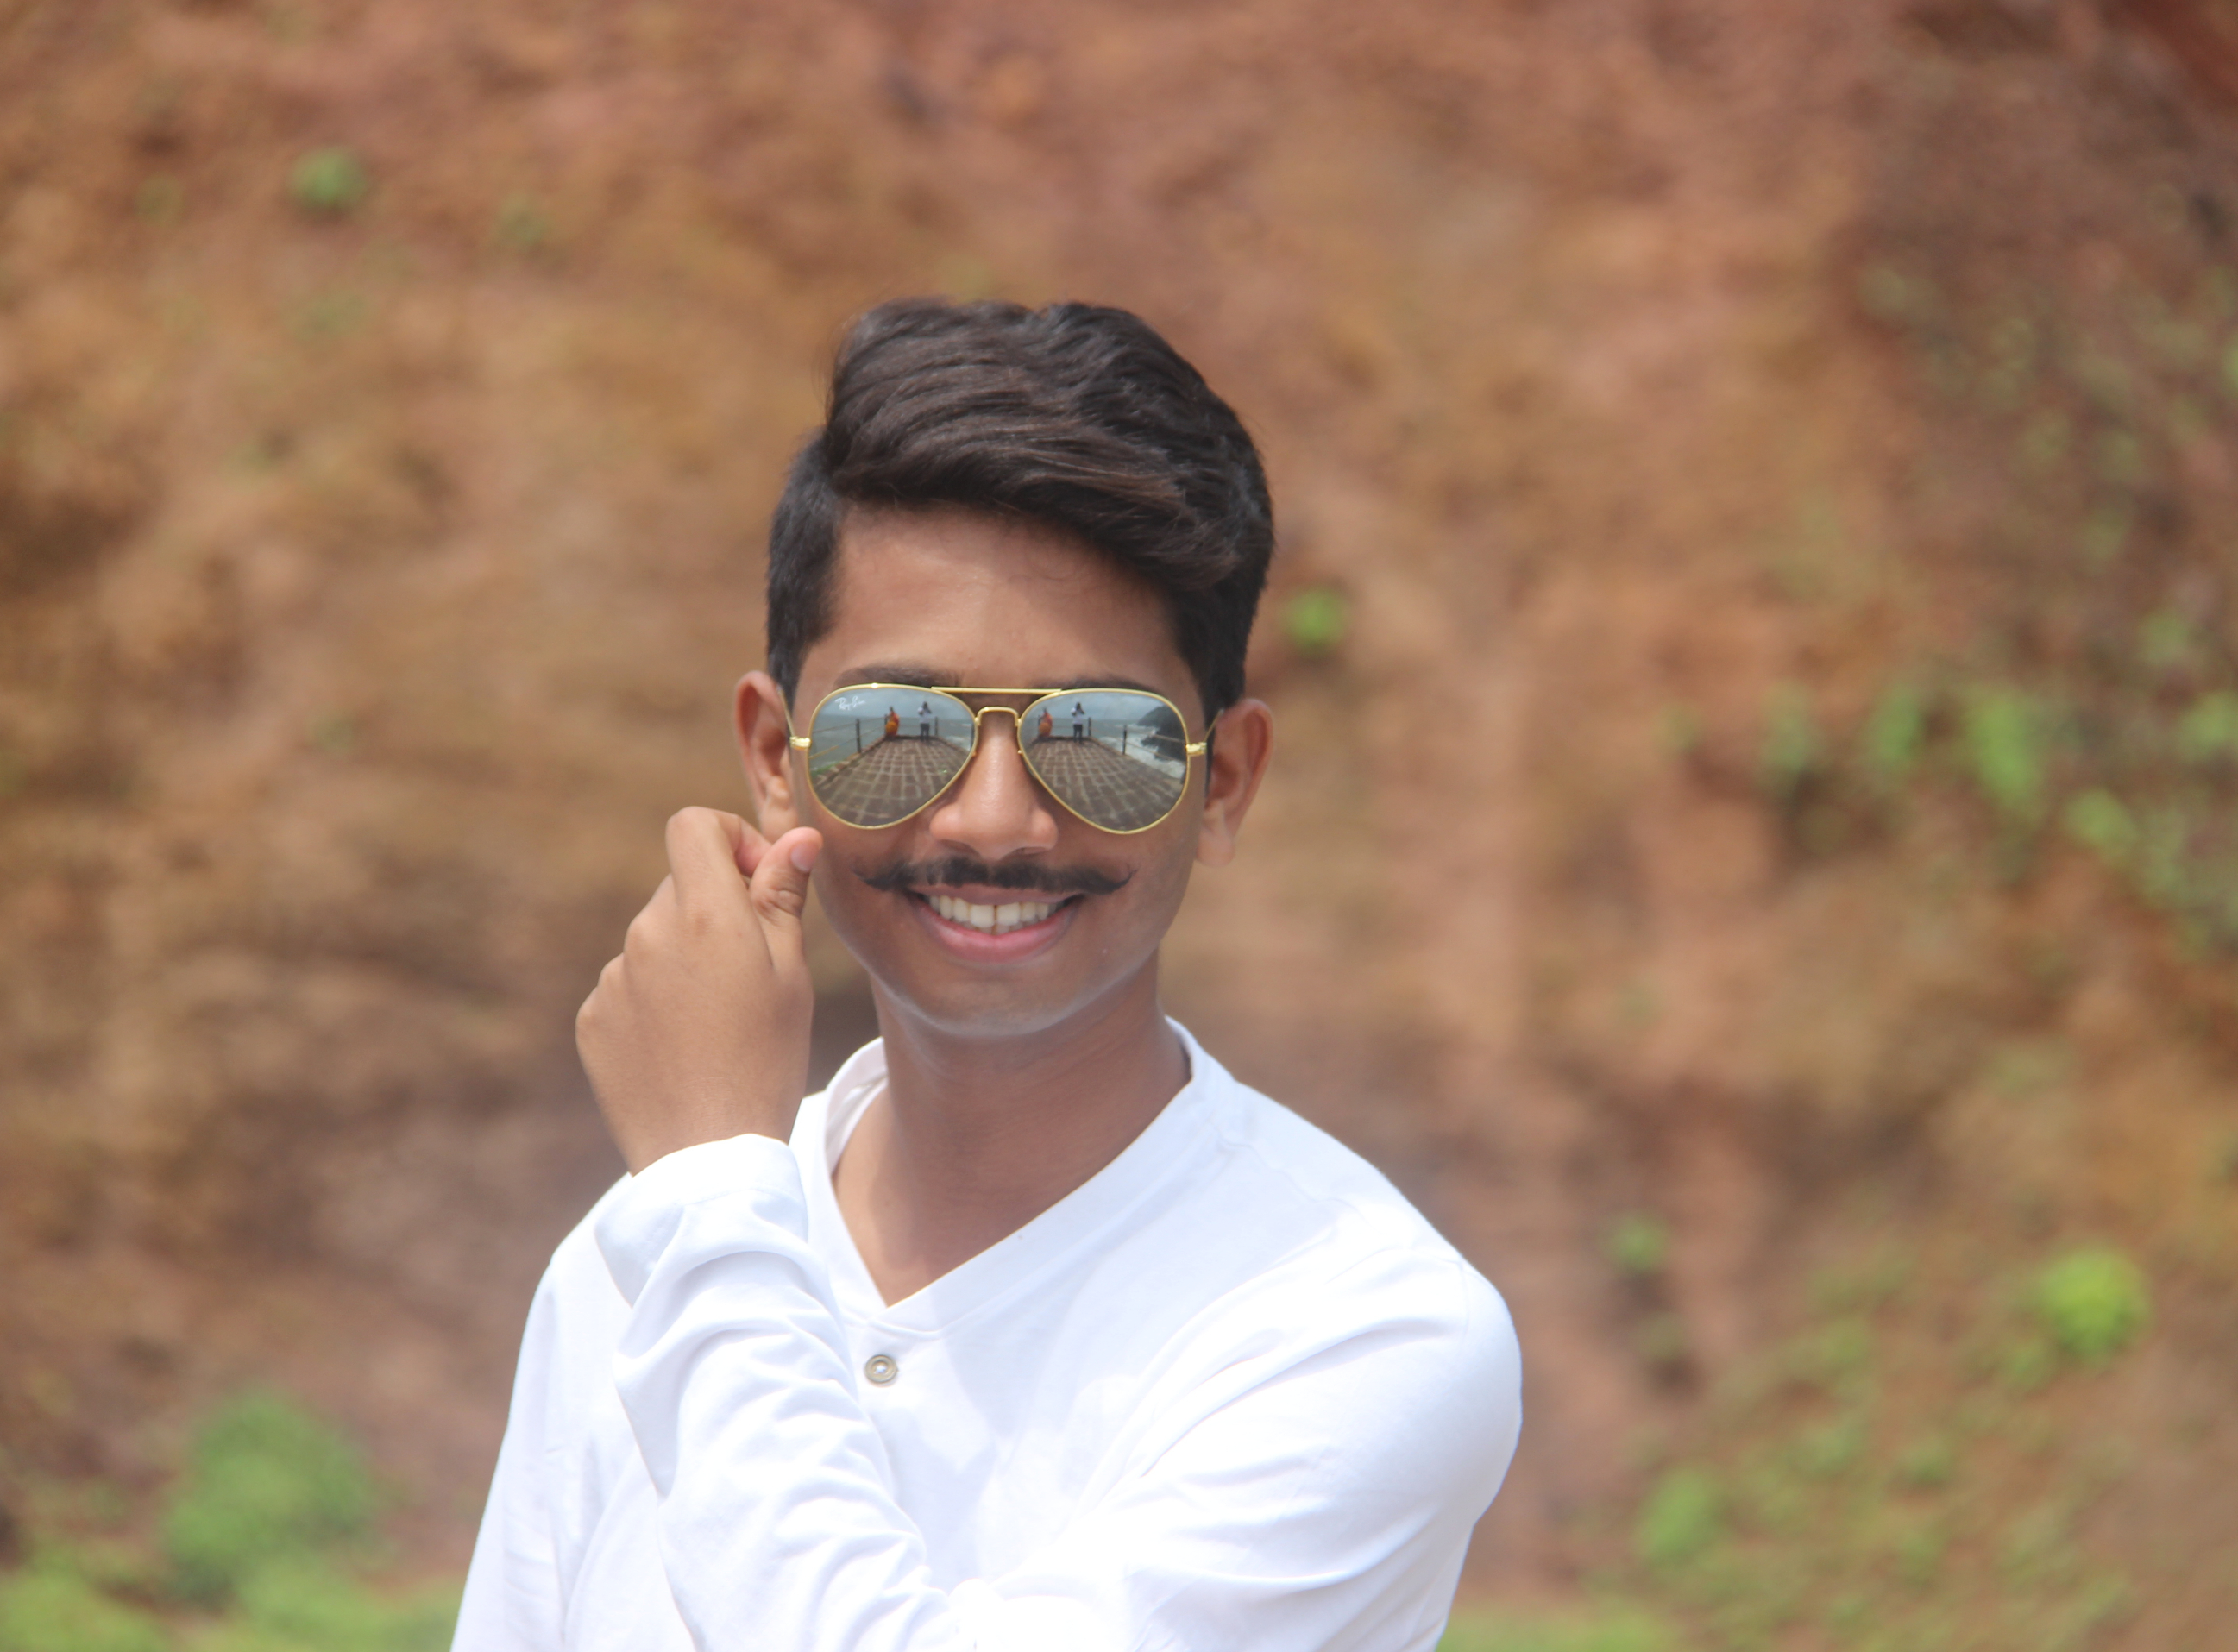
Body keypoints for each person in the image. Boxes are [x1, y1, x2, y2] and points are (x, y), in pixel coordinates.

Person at [452, 299, 1520, 1652]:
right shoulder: (635, 1264)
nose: (995, 821)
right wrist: (702, 1209)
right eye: (902, 725)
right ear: (776, 757)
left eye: (1101, 735)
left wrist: (708, 1203)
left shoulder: (1360, 1329)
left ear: (1225, 782)